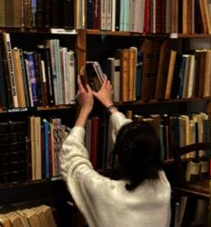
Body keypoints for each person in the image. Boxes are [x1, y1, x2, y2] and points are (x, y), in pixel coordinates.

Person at [60, 75, 172, 227]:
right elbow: (136, 139)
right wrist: (110, 105)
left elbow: (71, 159)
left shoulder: (108, 194)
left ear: (119, 157)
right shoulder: (162, 185)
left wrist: (85, 109)